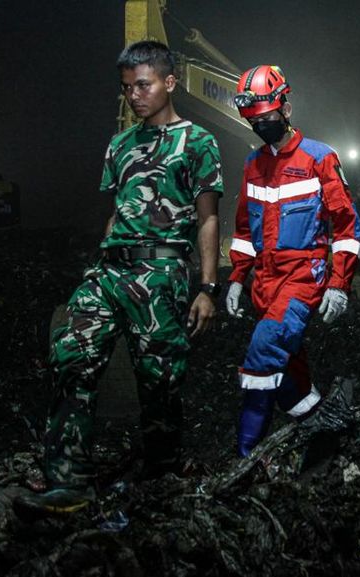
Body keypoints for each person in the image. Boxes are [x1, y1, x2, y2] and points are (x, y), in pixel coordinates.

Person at [15, 40, 223, 515]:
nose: (134, 96)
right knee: (70, 355)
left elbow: (208, 217)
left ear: (169, 83)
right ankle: (69, 482)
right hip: (110, 269)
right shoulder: (120, 144)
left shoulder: (198, 141)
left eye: (143, 85)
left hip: (162, 272)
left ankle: (161, 477)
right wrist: (98, 263)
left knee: (160, 381)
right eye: (127, 87)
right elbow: (117, 211)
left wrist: (207, 288)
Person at [225, 64, 360, 457]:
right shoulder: (253, 165)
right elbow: (245, 229)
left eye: (266, 118)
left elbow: (348, 227)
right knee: (288, 378)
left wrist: (339, 285)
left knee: (262, 356)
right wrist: (237, 277)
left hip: (303, 278)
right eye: (254, 122)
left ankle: (245, 457)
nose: (261, 126)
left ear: (285, 108)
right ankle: (330, 433)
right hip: (264, 283)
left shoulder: (320, 157)